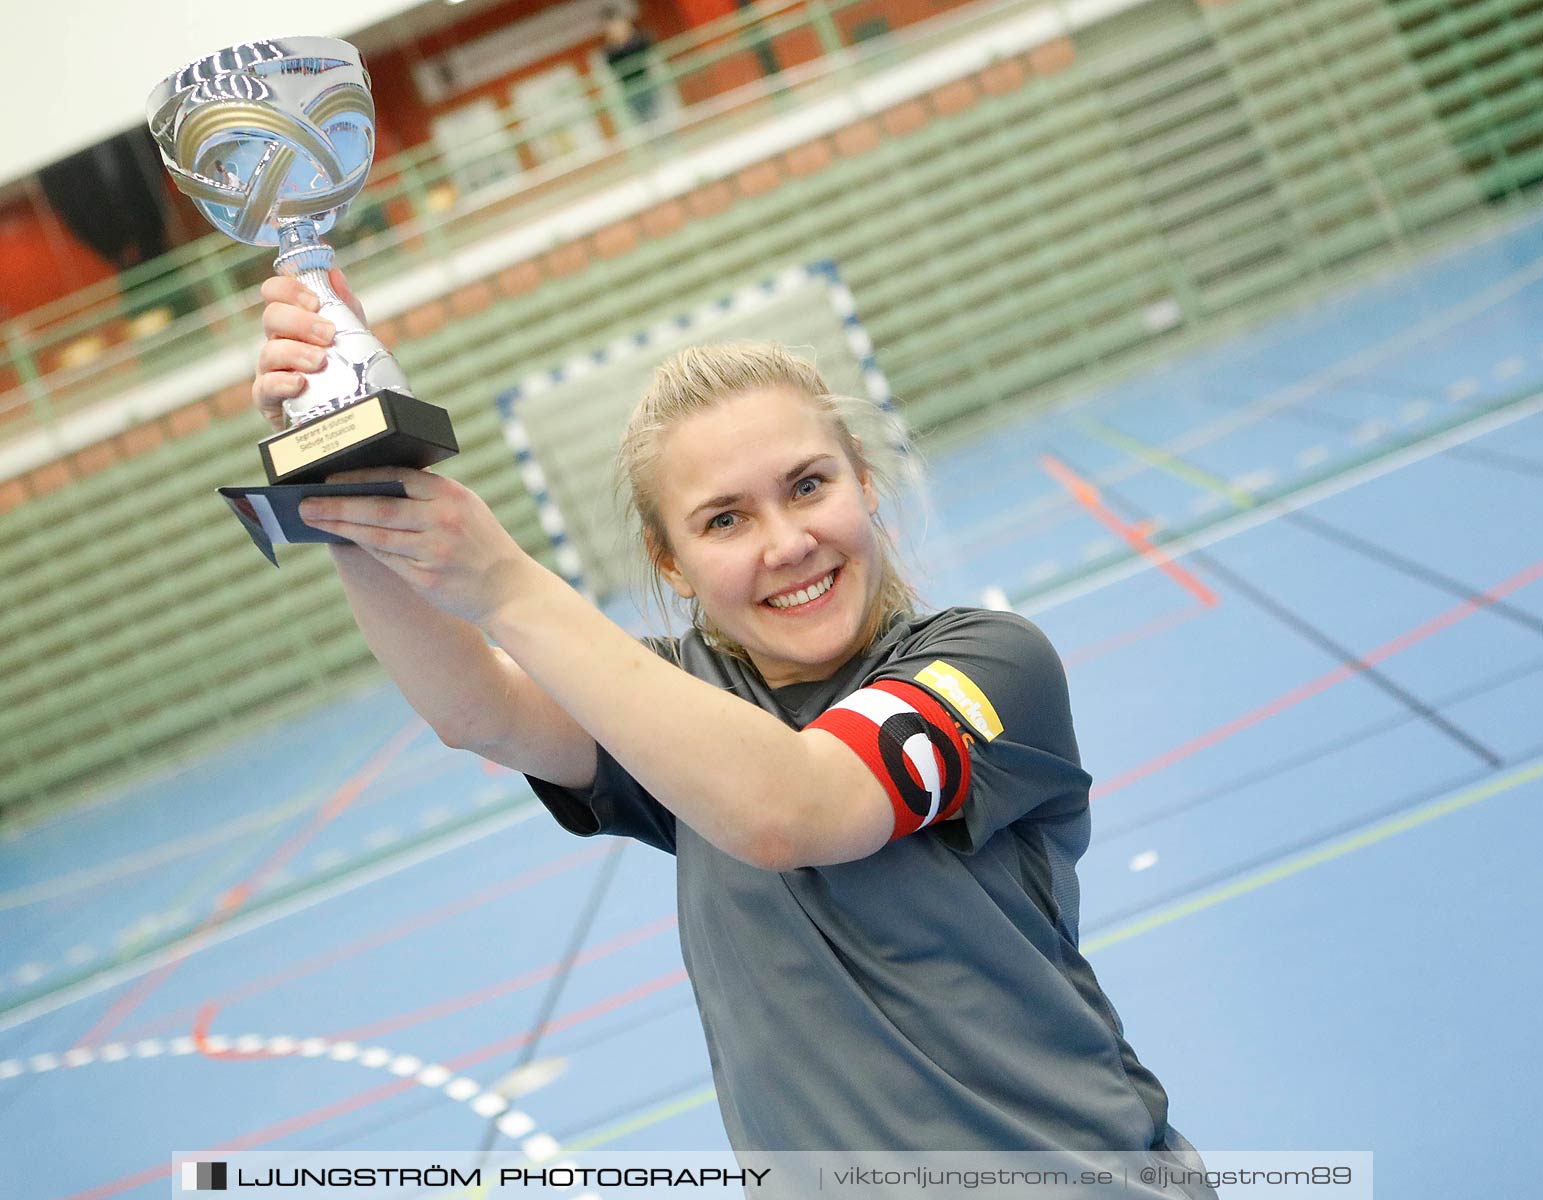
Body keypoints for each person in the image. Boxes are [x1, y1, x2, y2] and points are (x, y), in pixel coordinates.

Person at [253, 270, 1217, 1194]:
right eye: (724, 520)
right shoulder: (678, 705)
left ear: (866, 484)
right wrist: (346, 468)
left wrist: (507, 585)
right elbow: (477, 710)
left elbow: (791, 806)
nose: (785, 543)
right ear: (669, 563)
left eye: (807, 486)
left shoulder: (987, 664)